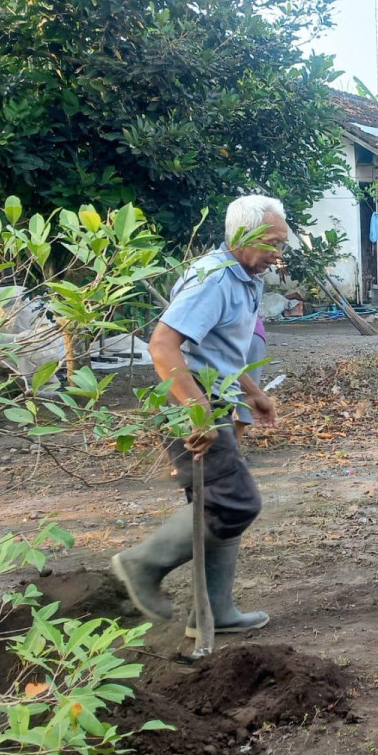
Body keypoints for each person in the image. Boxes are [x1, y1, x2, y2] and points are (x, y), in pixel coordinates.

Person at [111, 195, 286, 637]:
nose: (277, 253)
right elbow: (163, 346)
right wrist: (198, 410)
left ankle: (214, 611)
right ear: (241, 235)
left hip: (213, 396)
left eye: (281, 243)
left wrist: (253, 393)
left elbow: (218, 350)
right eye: (271, 242)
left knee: (218, 505)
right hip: (189, 399)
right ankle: (141, 564)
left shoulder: (245, 278)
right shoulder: (214, 279)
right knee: (234, 502)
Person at [234, 315, 268, 445]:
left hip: (218, 334)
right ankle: (232, 450)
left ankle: (229, 451)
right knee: (242, 401)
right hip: (252, 331)